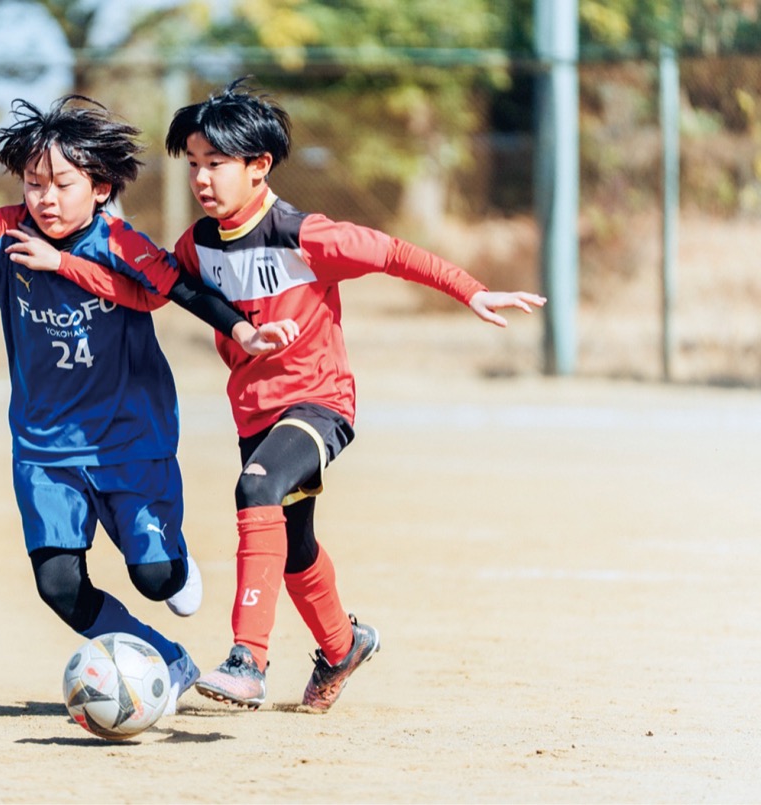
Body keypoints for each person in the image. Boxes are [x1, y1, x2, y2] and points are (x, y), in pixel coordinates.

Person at [34, 79, 547, 712]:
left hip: (319, 403)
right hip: (254, 413)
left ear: (259, 166)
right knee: (294, 543)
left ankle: (247, 660)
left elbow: (395, 255)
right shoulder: (197, 246)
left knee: (256, 488)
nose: (201, 178)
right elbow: (151, 291)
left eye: (216, 164)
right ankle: (342, 644)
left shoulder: (305, 235)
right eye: (193, 164)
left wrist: (471, 290)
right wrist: (65, 267)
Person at [0, 96, 294, 714]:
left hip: (129, 439)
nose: (44, 198)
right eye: (33, 184)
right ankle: (167, 659)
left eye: (61, 184)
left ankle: (176, 564)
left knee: (156, 578)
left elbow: (180, 288)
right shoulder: (1, 232)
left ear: (101, 187)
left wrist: (242, 331)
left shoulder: (119, 241)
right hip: (43, 448)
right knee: (58, 585)